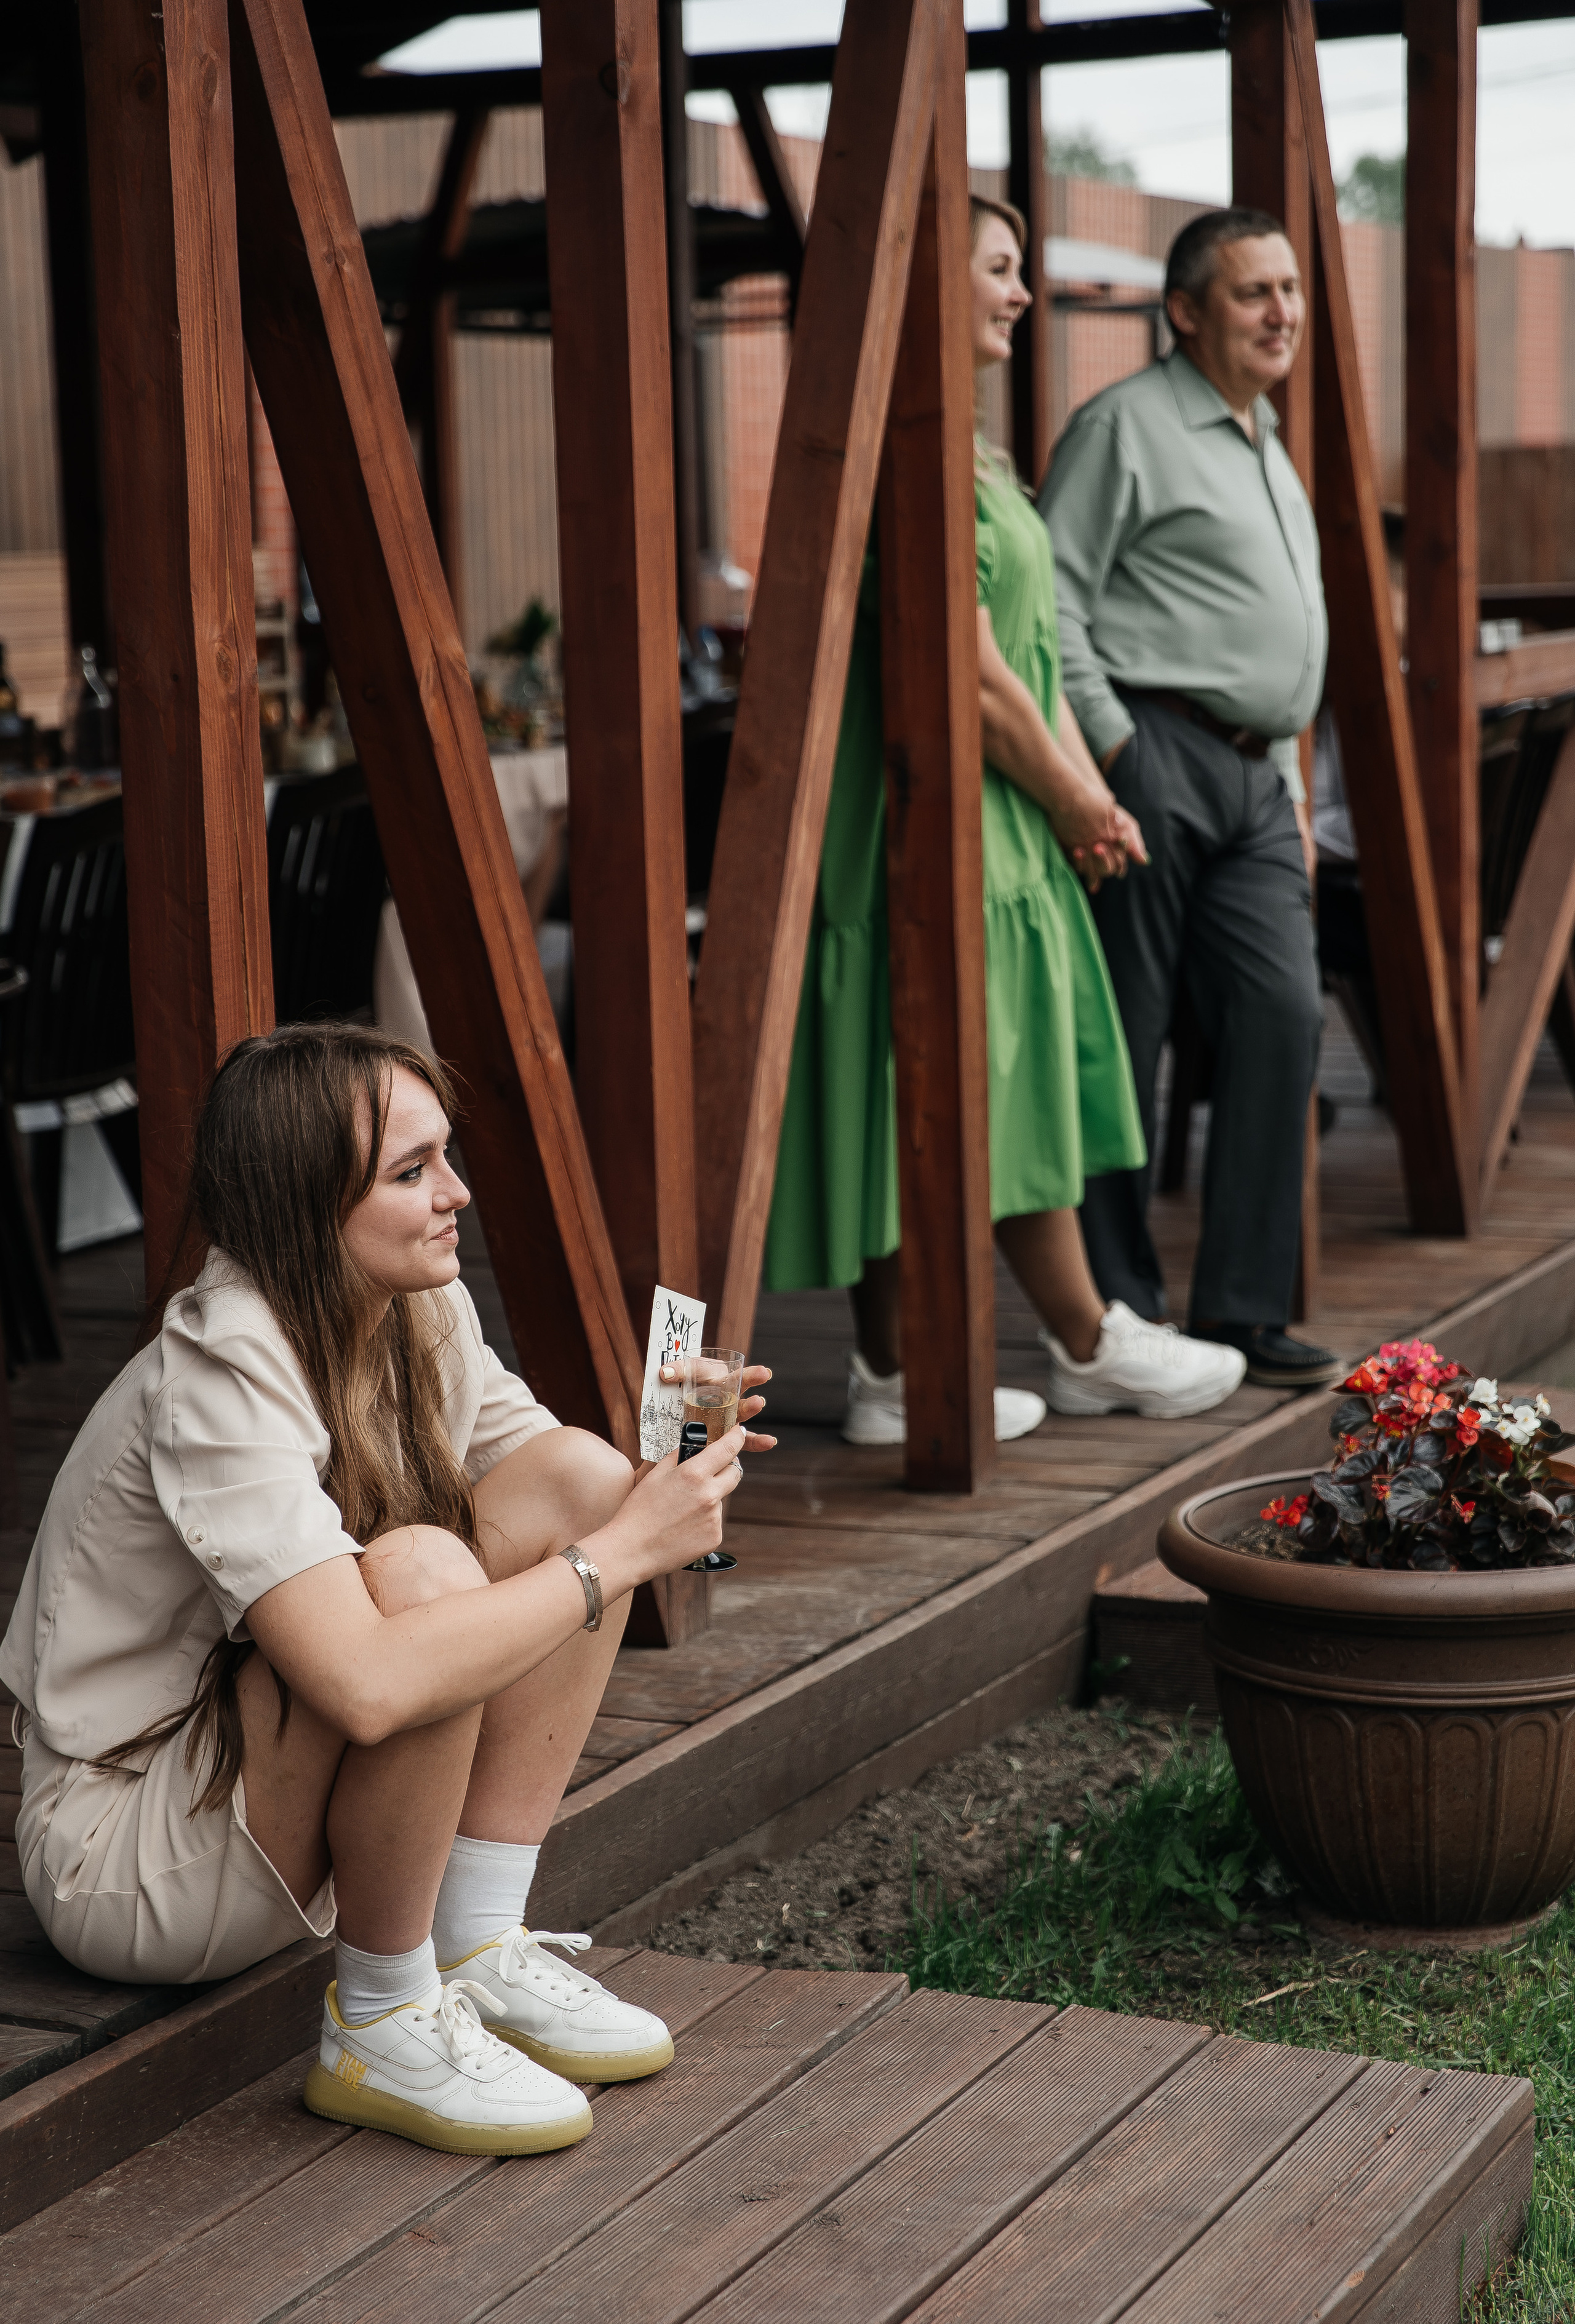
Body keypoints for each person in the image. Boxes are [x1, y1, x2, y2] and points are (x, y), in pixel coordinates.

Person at [1, 1024, 772, 2158]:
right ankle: (380, 2016)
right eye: (411, 1174)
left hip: (249, 1781)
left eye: (444, 1158)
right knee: (421, 1573)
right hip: (136, 1855)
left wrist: (678, 1460)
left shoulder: (414, 1306)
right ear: (304, 1205)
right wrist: (622, 1555)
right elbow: (365, 1689)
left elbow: (577, 1501)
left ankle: (473, 1940)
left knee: (577, 1478)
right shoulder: (222, 1368)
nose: (455, 1193)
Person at [762, 194, 1247, 1435]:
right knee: (971, 1078)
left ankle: (900, 1369)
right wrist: (1086, 794)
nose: (1021, 292)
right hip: (943, 819)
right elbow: (967, 677)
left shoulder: (950, 443)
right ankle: (1078, 1341)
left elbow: (1008, 654)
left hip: (985, 820)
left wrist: (1064, 789)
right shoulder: (898, 450)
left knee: (965, 1076)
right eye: (998, 269)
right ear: (926, 290)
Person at [1039, 205, 1338, 1389]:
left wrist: (1294, 791)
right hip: (1154, 752)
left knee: (1285, 1014)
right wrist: (1115, 753)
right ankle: (1120, 1315)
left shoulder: (1261, 435)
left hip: (1260, 773)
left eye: (1292, 290)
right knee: (1130, 1034)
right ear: (1186, 312)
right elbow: (1053, 603)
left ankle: (1246, 1311)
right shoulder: (1123, 428)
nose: (1285, 313)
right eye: (1256, 292)